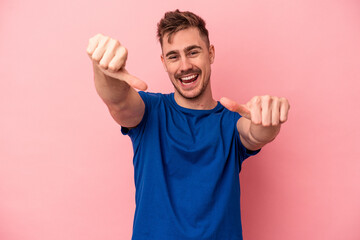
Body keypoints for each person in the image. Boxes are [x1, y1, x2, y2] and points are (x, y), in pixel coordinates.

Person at [86, 9, 289, 240]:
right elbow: (119, 101)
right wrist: (104, 70)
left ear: (210, 53)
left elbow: (256, 133)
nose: (184, 66)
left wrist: (269, 119)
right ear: (164, 62)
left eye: (193, 52)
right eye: (173, 56)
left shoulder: (232, 122)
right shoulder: (149, 112)